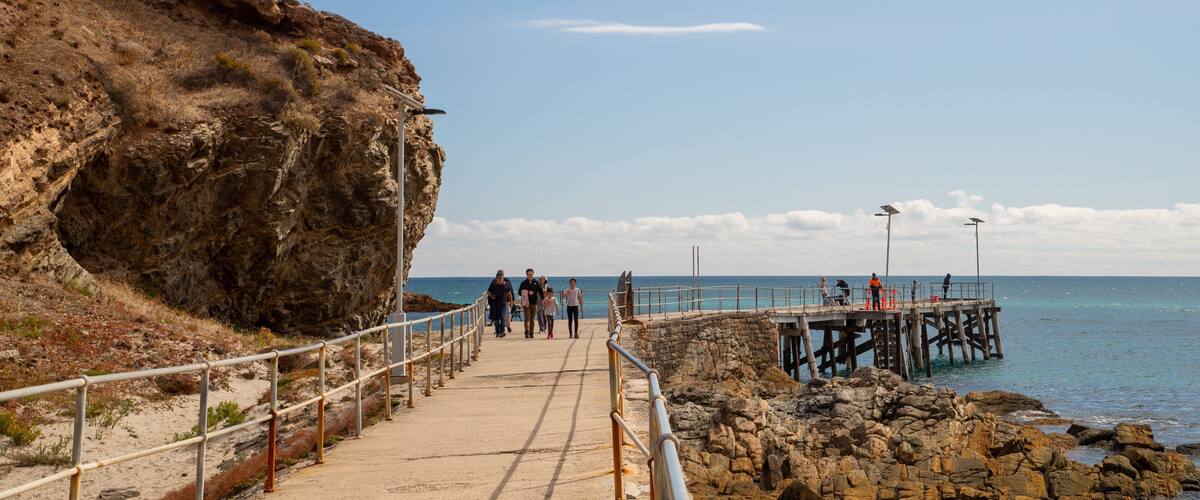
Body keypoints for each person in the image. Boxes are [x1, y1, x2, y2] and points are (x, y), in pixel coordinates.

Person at [486, 271, 513, 337]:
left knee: (503, 317)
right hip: (495, 304)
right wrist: (491, 296)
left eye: (501, 278)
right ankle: (498, 331)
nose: (499, 280)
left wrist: (511, 302)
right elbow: (488, 291)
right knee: (496, 319)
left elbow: (509, 293)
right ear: (496, 278)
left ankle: (502, 331)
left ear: (503, 278)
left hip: (504, 303)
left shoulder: (506, 284)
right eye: (498, 278)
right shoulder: (493, 284)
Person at [518, 268, 542, 339]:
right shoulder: (523, 283)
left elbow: (540, 291)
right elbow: (519, 292)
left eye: (531, 274)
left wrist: (543, 299)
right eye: (529, 275)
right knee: (527, 318)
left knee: (532, 319)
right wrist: (526, 292)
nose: (530, 276)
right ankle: (526, 332)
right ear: (526, 275)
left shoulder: (536, 282)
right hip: (526, 303)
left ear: (533, 274)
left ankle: (531, 332)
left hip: (534, 303)